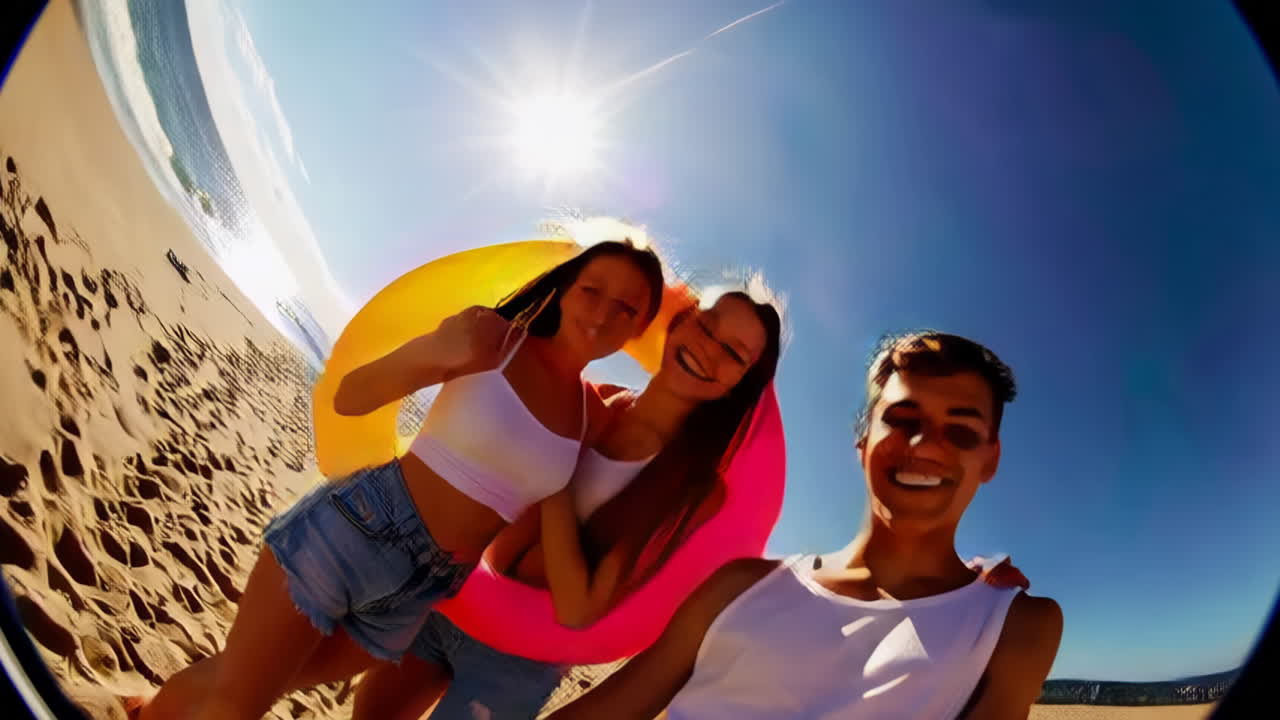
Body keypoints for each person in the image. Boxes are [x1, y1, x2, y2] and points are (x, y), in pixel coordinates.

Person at [137, 239, 666, 720]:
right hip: (360, 529)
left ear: (640, 327)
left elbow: (639, 457)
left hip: (427, 587)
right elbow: (351, 396)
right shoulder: (494, 337)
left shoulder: (590, 417)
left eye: (626, 307)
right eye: (592, 290)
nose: (603, 314)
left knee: (251, 679)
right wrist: (438, 350)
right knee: (237, 703)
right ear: (566, 288)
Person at [544, 331, 1064, 720]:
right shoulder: (738, 586)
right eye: (903, 420)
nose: (925, 445)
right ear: (863, 441)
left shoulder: (1016, 625)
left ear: (991, 459)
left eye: (961, 431)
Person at [351, 285, 785, 719]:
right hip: (453, 597)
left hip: (518, 663)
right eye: (706, 324)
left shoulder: (693, 488)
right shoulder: (595, 399)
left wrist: (556, 481)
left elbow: (579, 609)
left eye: (733, 353)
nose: (708, 347)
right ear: (680, 322)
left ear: (740, 386)